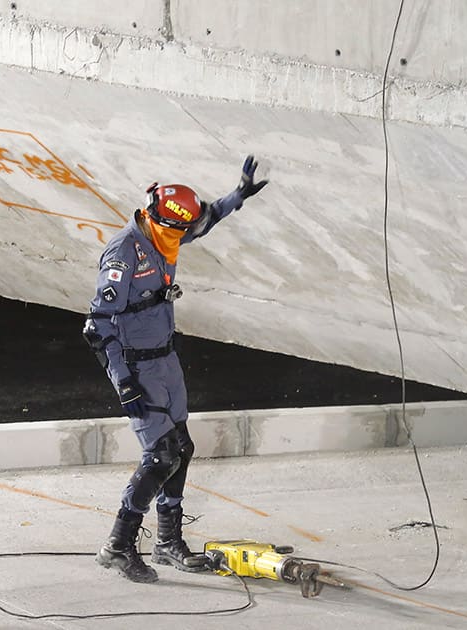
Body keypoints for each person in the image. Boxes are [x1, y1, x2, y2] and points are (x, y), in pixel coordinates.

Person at [82, 156, 269, 583]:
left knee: (182, 447)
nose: (187, 237)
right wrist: (123, 383)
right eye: (180, 232)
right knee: (160, 454)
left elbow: (206, 219)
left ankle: (168, 542)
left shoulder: (166, 234)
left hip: (165, 359)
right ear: (160, 223)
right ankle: (118, 545)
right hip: (137, 367)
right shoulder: (123, 255)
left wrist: (237, 195)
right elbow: (98, 326)